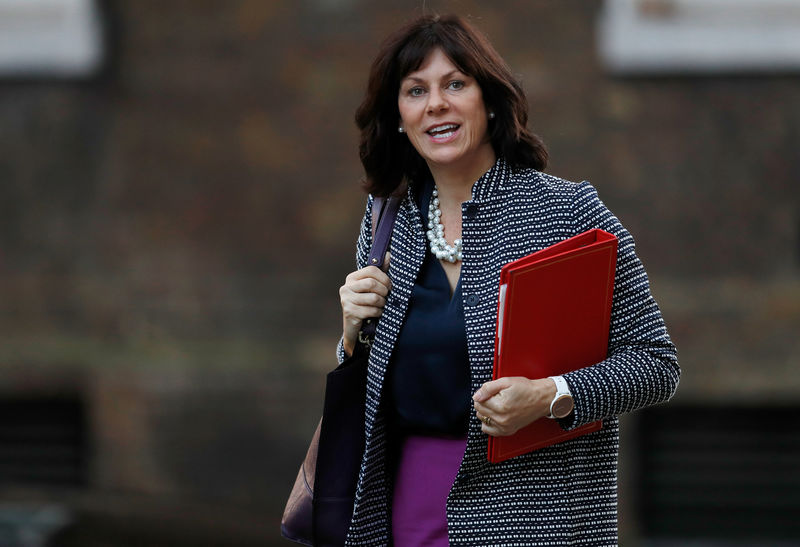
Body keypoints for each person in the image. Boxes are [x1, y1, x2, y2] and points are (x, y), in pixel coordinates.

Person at [337, 14, 679, 546]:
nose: (436, 105)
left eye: (455, 84)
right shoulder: (387, 220)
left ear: (489, 100)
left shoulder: (566, 212)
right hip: (404, 509)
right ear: (399, 117)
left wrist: (550, 395)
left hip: (537, 514)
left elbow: (656, 365)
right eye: (415, 91)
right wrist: (351, 336)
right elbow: (371, 395)